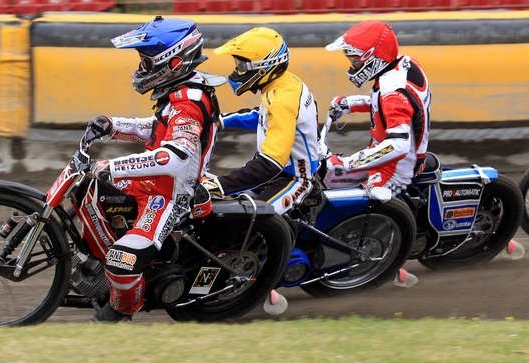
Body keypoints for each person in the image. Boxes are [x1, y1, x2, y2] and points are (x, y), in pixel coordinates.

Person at [87, 16, 225, 322]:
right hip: (150, 182)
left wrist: (113, 166)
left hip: (169, 195)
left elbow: (175, 157)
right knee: (87, 190)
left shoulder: (189, 101)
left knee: (121, 261)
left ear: (173, 62)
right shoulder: (178, 92)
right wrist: (113, 125)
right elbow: (157, 129)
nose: (141, 69)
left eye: (146, 63)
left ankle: (119, 311)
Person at [324, 19, 431, 287]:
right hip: (391, 153)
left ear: (373, 58)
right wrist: (351, 103)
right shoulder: (401, 65)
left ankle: (386, 263)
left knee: (359, 208)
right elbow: (380, 104)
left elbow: (397, 144)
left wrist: (349, 162)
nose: (351, 64)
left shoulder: (392, 91)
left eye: (354, 59)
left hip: (395, 168)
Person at [201, 26, 320, 217]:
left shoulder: (282, 100)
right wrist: (220, 121)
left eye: (240, 67)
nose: (236, 72)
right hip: (277, 173)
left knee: (253, 220)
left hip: (294, 178)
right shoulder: (284, 84)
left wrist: (220, 185)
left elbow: (270, 164)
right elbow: (262, 116)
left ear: (263, 68)